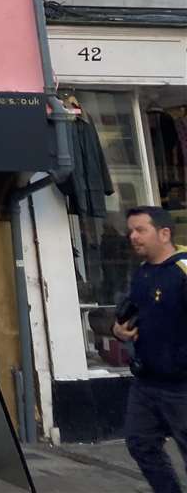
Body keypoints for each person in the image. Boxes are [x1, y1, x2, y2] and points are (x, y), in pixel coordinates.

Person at [113, 205, 187, 493]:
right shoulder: (143, 273)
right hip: (146, 382)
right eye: (130, 231)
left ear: (164, 233)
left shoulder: (182, 271)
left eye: (140, 230)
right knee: (140, 443)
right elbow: (130, 315)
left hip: (181, 384)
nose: (133, 236)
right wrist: (118, 331)